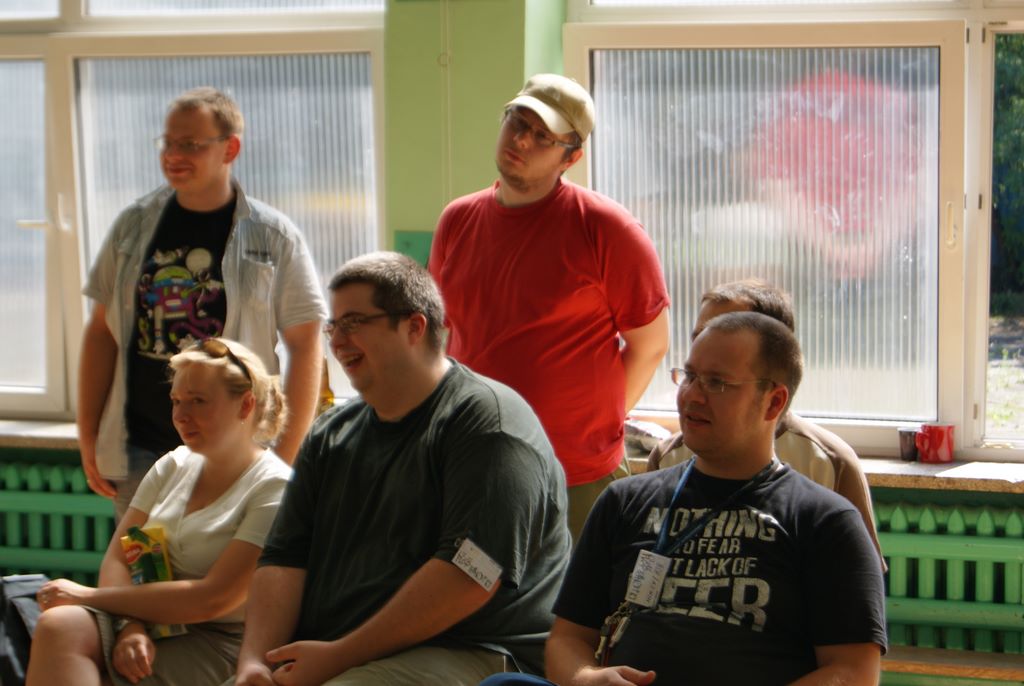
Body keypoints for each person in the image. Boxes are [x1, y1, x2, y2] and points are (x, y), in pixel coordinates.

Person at [481, 312, 887, 686]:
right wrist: (587, 678)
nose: (692, 395)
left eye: (717, 383)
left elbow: (854, 671)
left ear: (773, 402)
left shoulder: (824, 521)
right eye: (689, 376)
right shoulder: (624, 502)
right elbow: (568, 639)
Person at [232, 252, 571, 686]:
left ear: (414, 327)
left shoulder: (488, 423)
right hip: (337, 653)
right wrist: (253, 663)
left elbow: (471, 574)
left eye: (355, 322)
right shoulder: (330, 433)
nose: (337, 341)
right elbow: (284, 557)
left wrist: (338, 657)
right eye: (333, 327)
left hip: (471, 652)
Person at [429, 73, 671, 540]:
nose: (521, 139)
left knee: (576, 588)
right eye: (517, 121)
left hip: (575, 475)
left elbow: (651, 345)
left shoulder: (607, 229)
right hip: (475, 463)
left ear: (571, 157)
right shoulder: (457, 220)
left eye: (543, 136)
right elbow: (444, 337)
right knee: (473, 585)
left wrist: (592, 428)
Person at [78, 86, 326, 519]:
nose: (174, 155)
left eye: (191, 144)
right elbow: (101, 333)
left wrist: (282, 457)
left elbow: (306, 346)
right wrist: (88, 436)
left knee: (230, 565)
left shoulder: (273, 236)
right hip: (141, 452)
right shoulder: (131, 227)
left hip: (237, 455)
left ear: (230, 148)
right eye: (168, 142)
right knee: (141, 562)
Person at [27, 338, 293, 686]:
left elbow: (212, 599)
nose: (181, 416)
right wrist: (130, 626)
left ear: (245, 405)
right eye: (176, 401)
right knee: (59, 625)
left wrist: (86, 596)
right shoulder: (173, 464)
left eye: (198, 401)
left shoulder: (274, 488)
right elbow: (118, 559)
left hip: (220, 638)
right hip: (147, 619)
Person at [647, 279, 884, 567]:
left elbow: (859, 579)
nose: (709, 342)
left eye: (729, 330)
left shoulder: (828, 462)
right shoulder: (667, 459)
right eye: (701, 334)